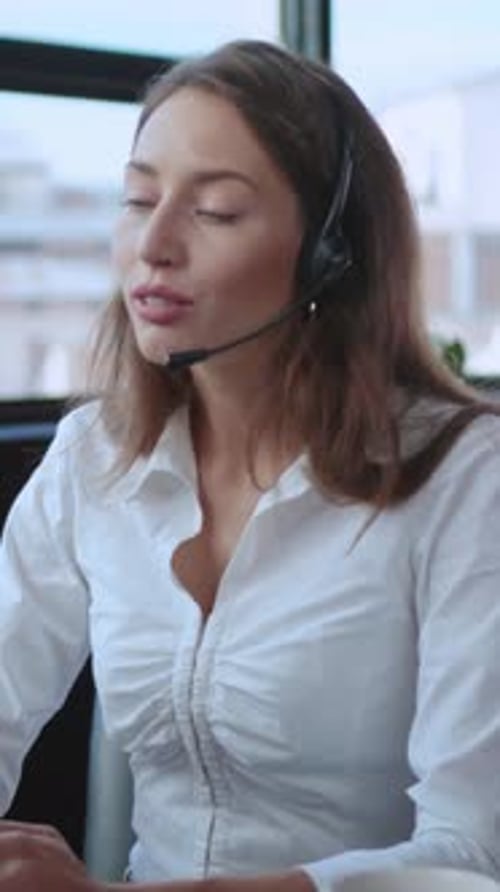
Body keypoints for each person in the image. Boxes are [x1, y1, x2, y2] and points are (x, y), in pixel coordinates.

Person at [0, 38, 499, 892]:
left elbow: (472, 855)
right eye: (137, 198)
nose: (152, 245)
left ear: (330, 255)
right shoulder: (94, 458)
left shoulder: (466, 479)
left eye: (217, 211)